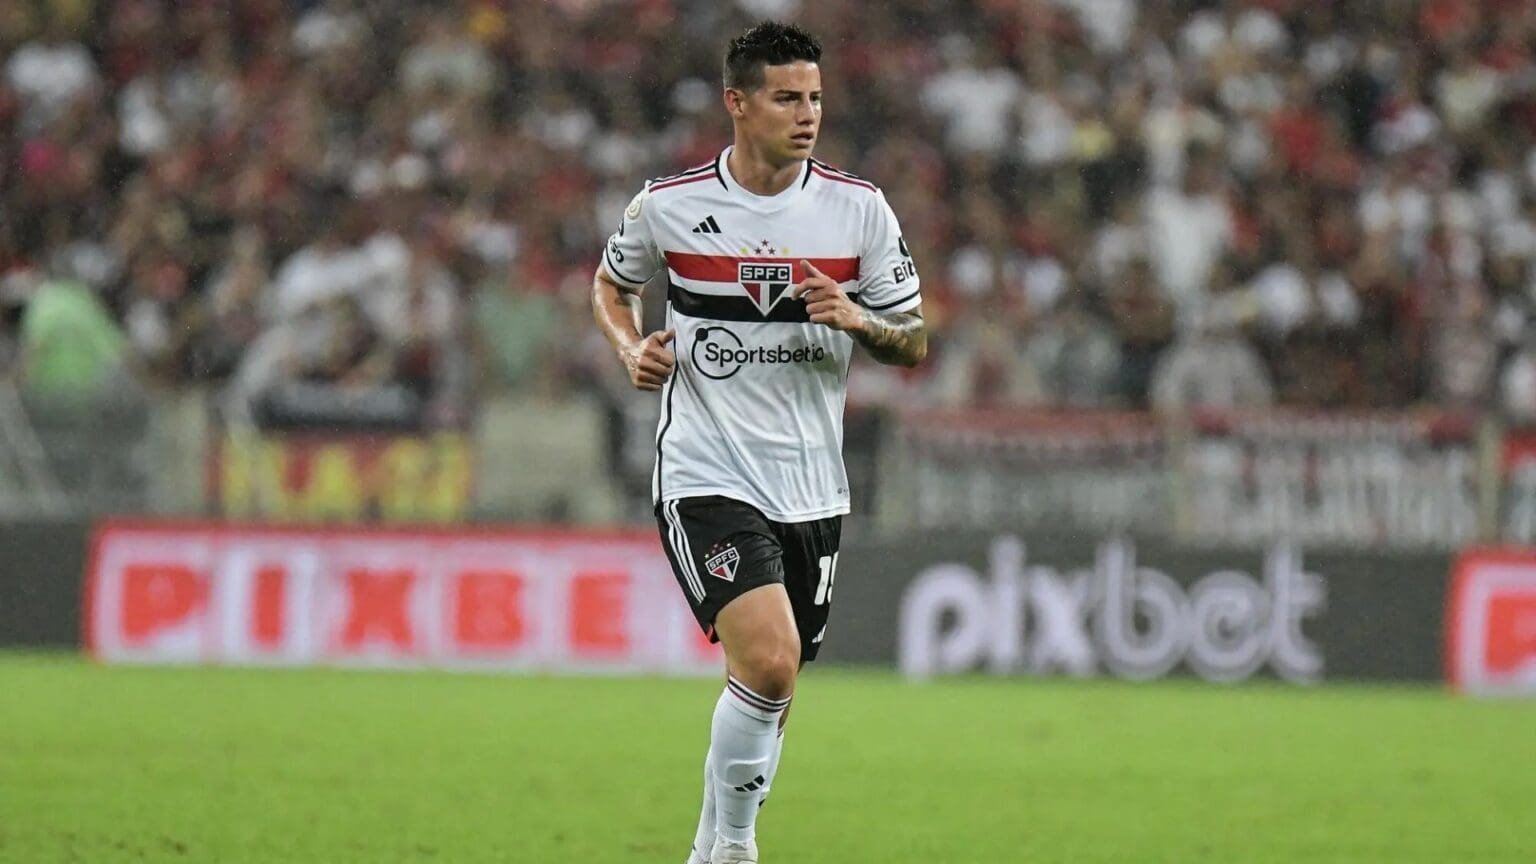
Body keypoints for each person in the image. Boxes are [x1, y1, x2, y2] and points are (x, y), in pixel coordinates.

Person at [589, 21, 926, 864]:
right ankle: (737, 850)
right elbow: (610, 284)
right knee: (770, 663)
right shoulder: (669, 207)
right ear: (737, 104)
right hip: (706, 472)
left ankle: (708, 852)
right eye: (787, 98)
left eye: (814, 97)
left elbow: (914, 343)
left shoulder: (859, 211)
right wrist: (633, 348)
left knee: (771, 686)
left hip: (812, 487)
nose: (807, 114)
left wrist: (860, 319)